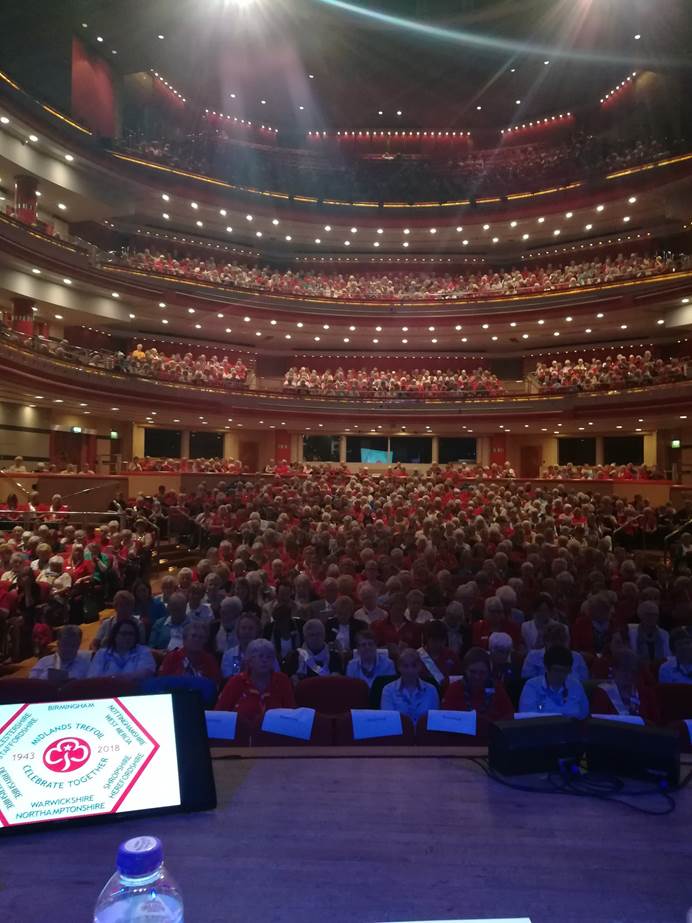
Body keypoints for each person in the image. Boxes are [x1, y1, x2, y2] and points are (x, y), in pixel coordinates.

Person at [215, 637, 295, 726]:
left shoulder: (282, 681)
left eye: (269, 657)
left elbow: (292, 714)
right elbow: (219, 713)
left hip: (275, 734)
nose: (265, 660)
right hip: (243, 735)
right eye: (260, 656)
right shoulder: (236, 681)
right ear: (250, 661)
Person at [441, 647, 514, 740]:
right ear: (465, 671)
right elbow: (445, 721)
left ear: (489, 673)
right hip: (460, 741)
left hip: (492, 741)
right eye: (472, 672)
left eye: (482, 673)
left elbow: (509, 718)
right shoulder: (454, 689)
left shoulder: (497, 689)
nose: (477, 677)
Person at [518, 646, 590, 719]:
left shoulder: (576, 685)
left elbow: (585, 715)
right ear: (546, 668)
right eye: (557, 670)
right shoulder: (532, 686)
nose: (561, 675)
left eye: (565, 671)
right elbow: (527, 718)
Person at [591, 647, 660, 723]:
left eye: (632, 671)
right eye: (624, 670)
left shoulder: (646, 693)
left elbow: (656, 724)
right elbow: (599, 725)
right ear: (614, 670)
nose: (629, 675)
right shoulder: (602, 693)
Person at [380, 647, 439, 722]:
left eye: (414, 665)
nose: (410, 670)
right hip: (399, 733)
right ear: (399, 667)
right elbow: (388, 721)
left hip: (424, 733)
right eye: (405, 666)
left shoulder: (431, 690)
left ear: (420, 666)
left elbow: (433, 722)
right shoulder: (388, 690)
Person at [88, 618, 156, 680]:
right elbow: (93, 678)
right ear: (115, 635)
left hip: (134, 691)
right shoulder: (101, 654)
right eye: (124, 633)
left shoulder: (144, 651)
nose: (128, 637)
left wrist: (114, 679)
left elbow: (145, 674)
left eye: (131, 634)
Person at [521, 623, 590, 682]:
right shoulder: (533, 656)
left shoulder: (577, 657)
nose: (558, 644)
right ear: (546, 641)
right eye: (554, 640)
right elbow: (527, 681)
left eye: (562, 640)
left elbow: (584, 683)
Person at [417, 620, 461, 686]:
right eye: (434, 640)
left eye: (442, 640)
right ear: (428, 639)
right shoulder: (417, 656)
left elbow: (458, 679)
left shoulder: (452, 656)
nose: (438, 644)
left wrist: (445, 681)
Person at [221, 613, 260, 679]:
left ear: (257, 632)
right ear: (238, 631)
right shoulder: (229, 655)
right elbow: (228, 677)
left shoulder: (267, 653)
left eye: (251, 628)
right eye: (243, 628)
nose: (247, 632)